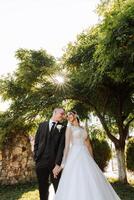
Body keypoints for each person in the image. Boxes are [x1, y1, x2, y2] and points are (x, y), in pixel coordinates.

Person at [53, 111, 121, 200]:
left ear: (75, 115)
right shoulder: (69, 129)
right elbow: (66, 147)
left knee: (91, 179)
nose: (68, 116)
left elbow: (88, 145)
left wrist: (92, 160)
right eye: (67, 116)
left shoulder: (83, 128)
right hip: (75, 154)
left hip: (85, 155)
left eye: (70, 114)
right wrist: (63, 164)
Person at [34, 108, 66, 200]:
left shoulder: (63, 128)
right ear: (55, 112)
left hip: (54, 164)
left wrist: (57, 164)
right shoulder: (42, 125)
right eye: (62, 113)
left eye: (64, 114)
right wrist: (36, 157)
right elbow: (36, 142)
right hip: (41, 162)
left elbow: (61, 147)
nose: (63, 116)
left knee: (58, 187)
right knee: (42, 187)